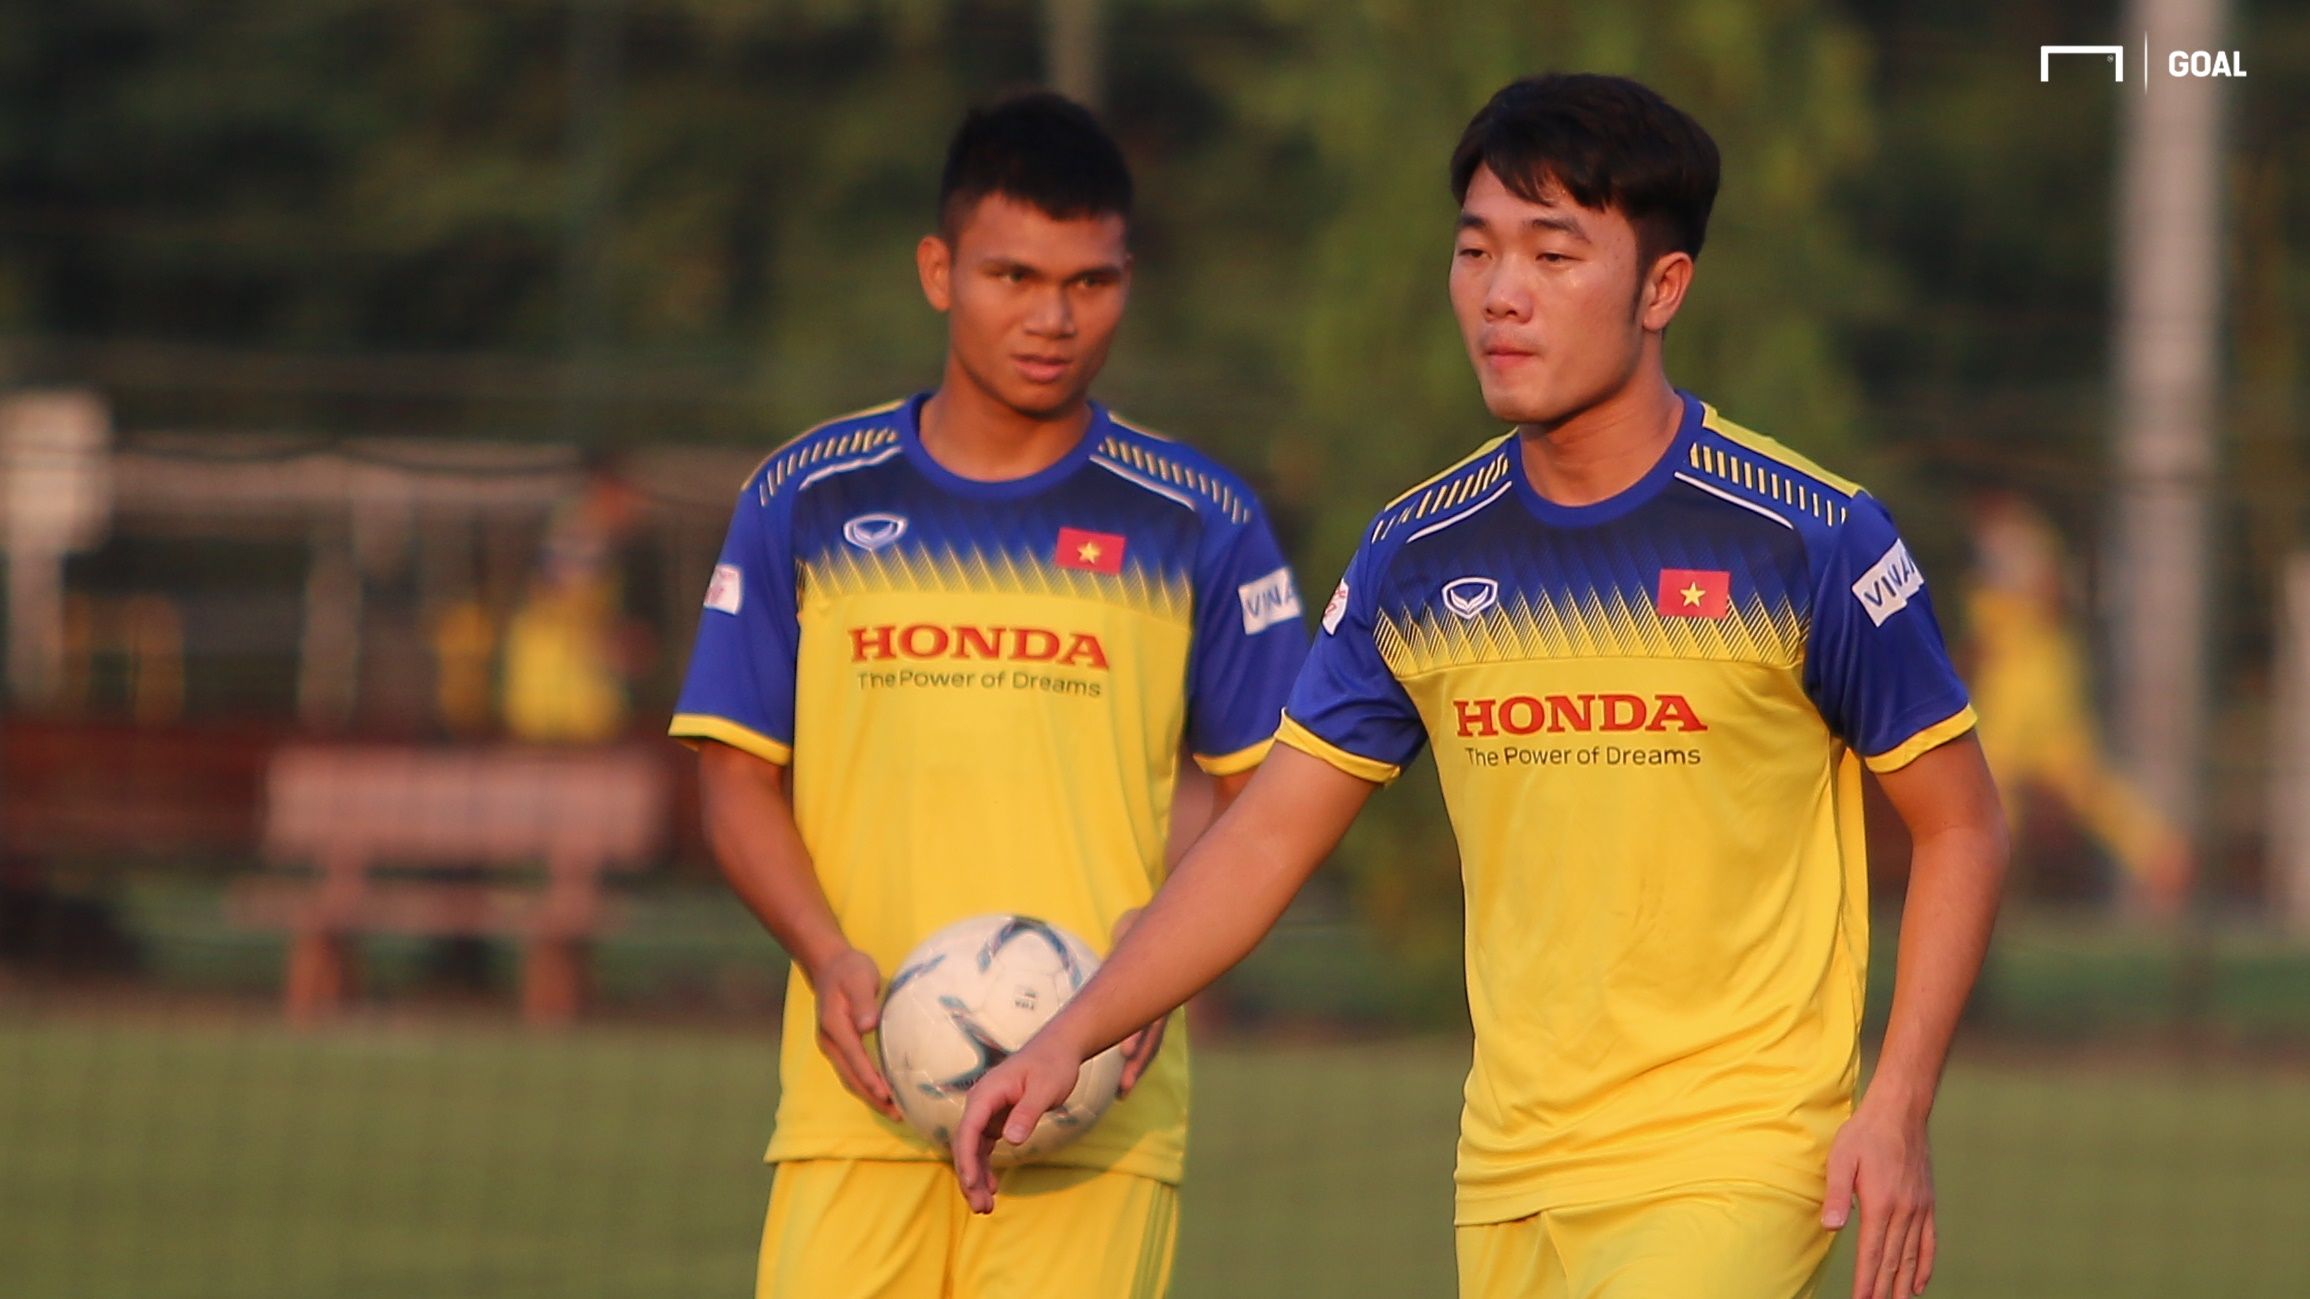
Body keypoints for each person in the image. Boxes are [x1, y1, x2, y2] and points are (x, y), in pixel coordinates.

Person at [954, 73, 2009, 1299]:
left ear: (1662, 287)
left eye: (1554, 256)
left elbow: (1963, 824)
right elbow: (1267, 839)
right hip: (1507, 1174)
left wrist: (1897, 1104)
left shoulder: (1805, 537)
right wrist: (1067, 1035)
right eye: (1476, 251)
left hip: (1738, 1156)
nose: (1503, 295)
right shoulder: (1419, 552)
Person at [668, 90, 1307, 1299]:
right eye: (1014, 276)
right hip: (855, 1107)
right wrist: (826, 954)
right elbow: (737, 782)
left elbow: (1268, 797)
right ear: (937, 270)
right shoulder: (804, 496)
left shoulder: (1197, 522)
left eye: (1091, 282)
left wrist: (1156, 952)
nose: (1054, 318)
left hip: (1093, 1115)